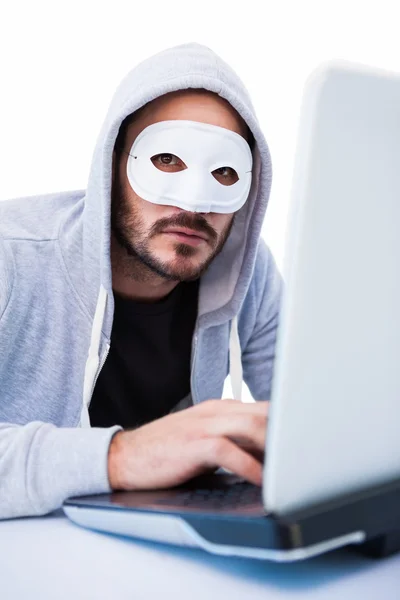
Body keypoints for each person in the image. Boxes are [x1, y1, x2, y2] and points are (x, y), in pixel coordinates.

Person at [0, 42, 282, 519]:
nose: (193, 204)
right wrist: (122, 457)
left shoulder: (249, 280)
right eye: (167, 160)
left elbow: (318, 426)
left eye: (224, 171)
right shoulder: (12, 256)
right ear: (110, 165)